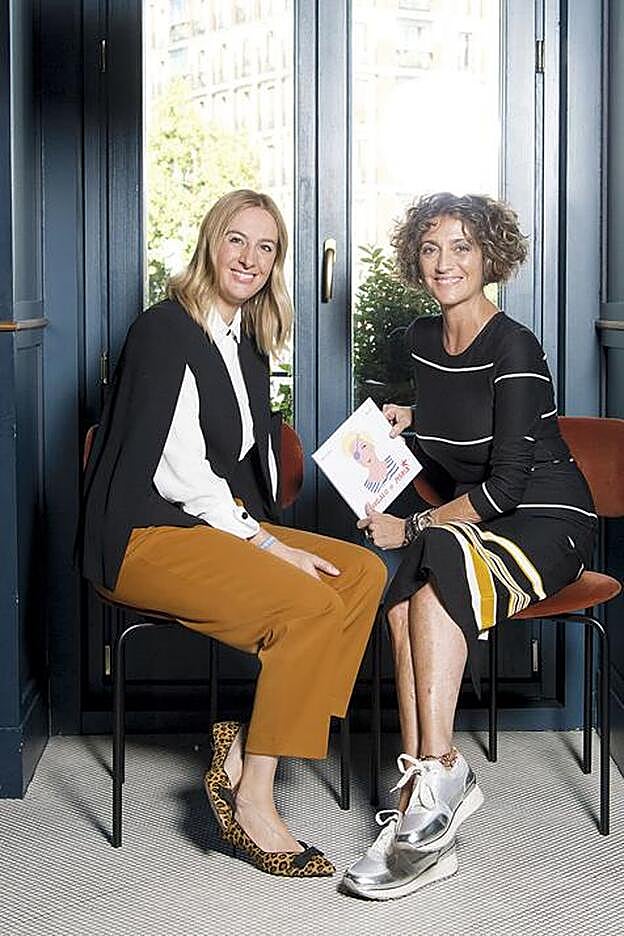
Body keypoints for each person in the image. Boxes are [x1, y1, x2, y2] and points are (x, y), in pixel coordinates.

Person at [78, 189, 386, 879]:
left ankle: (245, 745)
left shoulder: (245, 342)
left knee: (362, 575)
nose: (249, 258)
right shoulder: (163, 330)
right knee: (308, 603)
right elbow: (185, 475)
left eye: (266, 247)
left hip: (205, 525)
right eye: (237, 240)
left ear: (276, 263)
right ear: (211, 244)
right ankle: (252, 799)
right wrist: (274, 547)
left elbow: (248, 456)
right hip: (142, 535)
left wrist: (369, 447)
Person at [341, 192, 597, 900]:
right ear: (414, 259)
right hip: (480, 521)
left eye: (460, 248)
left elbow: (508, 484)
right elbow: (460, 427)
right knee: (400, 603)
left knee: (434, 553)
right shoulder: (423, 339)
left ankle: (433, 782)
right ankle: (434, 792)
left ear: (490, 258)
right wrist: (409, 422)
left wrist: (412, 527)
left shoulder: (514, 343)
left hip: (548, 518)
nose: (444, 262)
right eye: (431, 248)